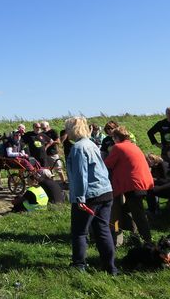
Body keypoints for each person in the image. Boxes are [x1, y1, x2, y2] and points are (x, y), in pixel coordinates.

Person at [66, 116, 117, 275]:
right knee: (103, 230)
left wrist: (80, 198)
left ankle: (79, 265)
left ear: (73, 129)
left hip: (90, 195)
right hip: (105, 191)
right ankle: (110, 267)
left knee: (80, 231)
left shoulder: (78, 148)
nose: (66, 132)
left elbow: (81, 175)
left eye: (67, 128)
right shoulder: (92, 144)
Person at [104, 126, 153, 244]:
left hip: (132, 184)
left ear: (116, 138)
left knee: (137, 214)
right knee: (128, 210)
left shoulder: (118, 147)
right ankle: (134, 236)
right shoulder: (133, 146)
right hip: (142, 183)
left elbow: (107, 164)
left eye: (113, 138)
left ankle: (148, 241)